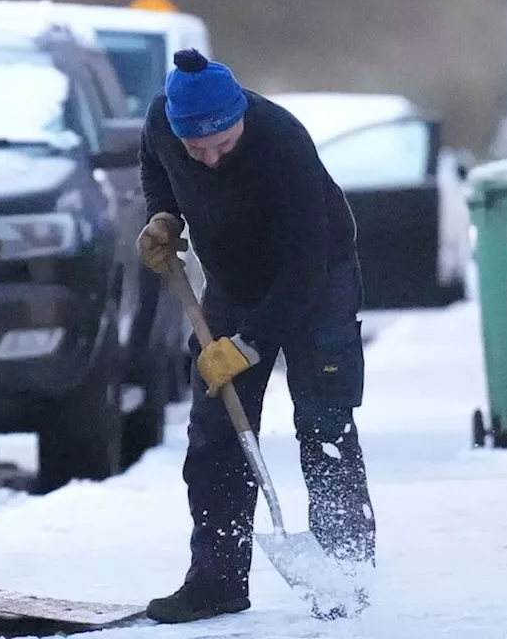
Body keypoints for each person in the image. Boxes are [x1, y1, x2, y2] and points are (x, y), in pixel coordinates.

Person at [135, 48, 378, 624]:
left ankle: (347, 577)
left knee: (324, 423)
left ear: (240, 113)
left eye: (223, 143)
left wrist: (246, 347)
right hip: (233, 278)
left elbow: (303, 270)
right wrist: (164, 215)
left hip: (317, 278)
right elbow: (156, 169)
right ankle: (215, 580)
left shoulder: (282, 142)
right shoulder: (160, 124)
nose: (212, 159)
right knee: (217, 428)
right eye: (198, 150)